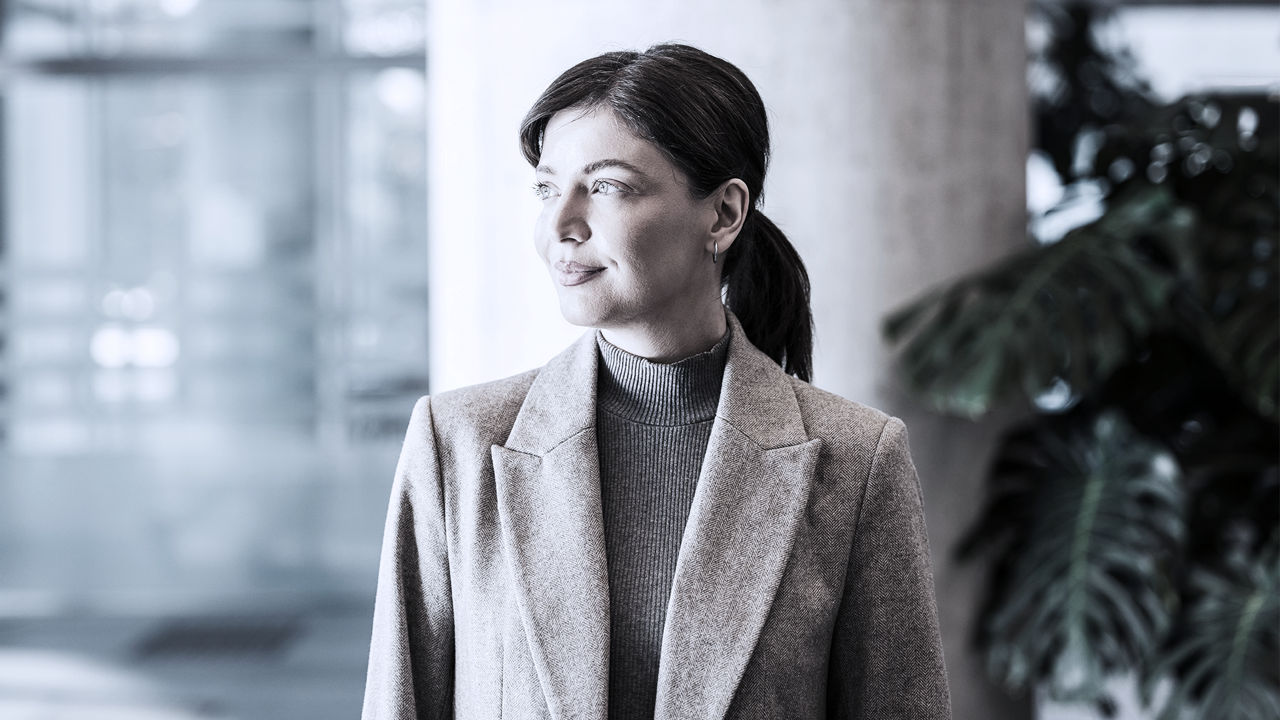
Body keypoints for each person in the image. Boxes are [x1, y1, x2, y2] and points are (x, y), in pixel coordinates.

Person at [362, 43, 952, 720]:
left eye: (607, 186)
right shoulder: (457, 446)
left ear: (724, 215)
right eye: (548, 188)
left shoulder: (856, 460)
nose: (560, 224)